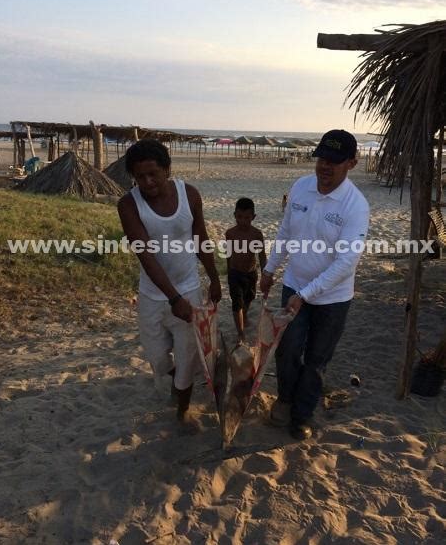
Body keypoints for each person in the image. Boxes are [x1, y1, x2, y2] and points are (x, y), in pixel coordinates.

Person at [260, 130, 369, 440]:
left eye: (334, 161)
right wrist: (270, 269)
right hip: (294, 283)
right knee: (287, 349)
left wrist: (305, 296)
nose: (325, 166)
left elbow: (347, 262)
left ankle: (303, 414)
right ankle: (285, 399)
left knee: (317, 359)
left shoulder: (355, 206)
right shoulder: (300, 188)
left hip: (333, 298)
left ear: (352, 163)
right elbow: (285, 232)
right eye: (322, 158)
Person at [117, 139, 221, 425]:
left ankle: (183, 410)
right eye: (140, 177)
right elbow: (147, 257)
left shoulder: (190, 194)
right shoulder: (128, 205)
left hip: (190, 289)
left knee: (187, 359)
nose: (148, 182)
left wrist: (213, 278)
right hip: (153, 296)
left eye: (153, 174)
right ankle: (177, 382)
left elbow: (201, 238)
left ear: (167, 169)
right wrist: (174, 299)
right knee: (159, 360)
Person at [225, 198, 266, 342]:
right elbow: (229, 253)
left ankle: (245, 313)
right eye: (239, 217)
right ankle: (240, 333)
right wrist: (229, 269)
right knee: (237, 304)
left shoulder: (256, 234)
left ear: (253, 217)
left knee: (248, 299)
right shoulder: (230, 233)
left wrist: (265, 276)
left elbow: (261, 256)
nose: (243, 221)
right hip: (235, 273)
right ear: (234, 215)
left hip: (251, 274)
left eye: (247, 218)